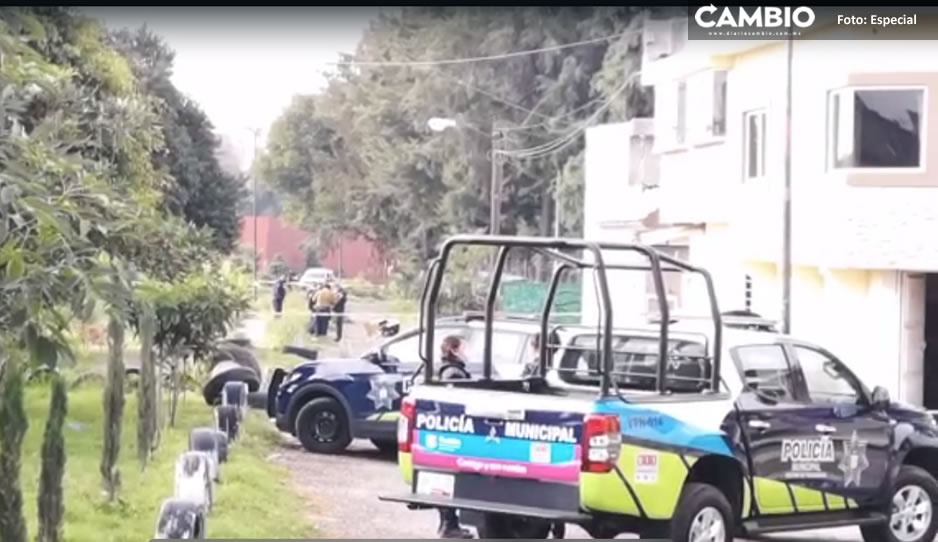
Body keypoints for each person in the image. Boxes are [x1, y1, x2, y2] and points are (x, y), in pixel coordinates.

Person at [435, 335, 473, 539]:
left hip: (442, 429)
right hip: (453, 431)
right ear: (454, 349)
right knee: (451, 479)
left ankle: (449, 524)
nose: (467, 351)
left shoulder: (443, 369)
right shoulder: (453, 373)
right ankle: (449, 524)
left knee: (446, 479)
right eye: (464, 347)